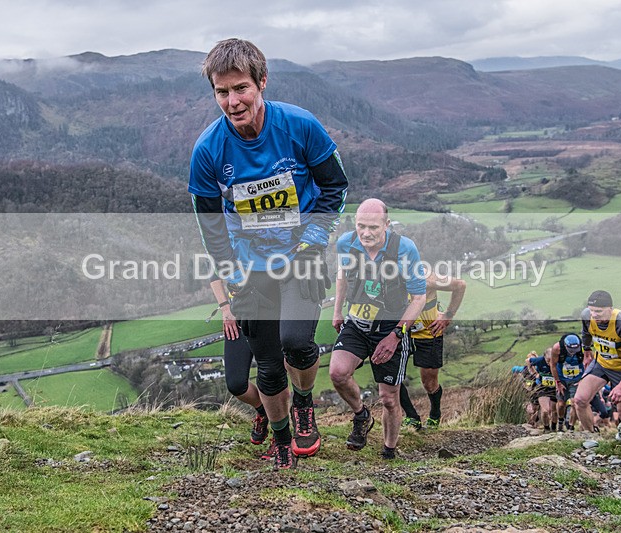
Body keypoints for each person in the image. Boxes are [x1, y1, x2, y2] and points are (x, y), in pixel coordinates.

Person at [189, 38, 349, 469]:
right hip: (251, 267)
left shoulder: (299, 126)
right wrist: (231, 273)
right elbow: (211, 225)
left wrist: (313, 242)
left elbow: (335, 188)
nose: (232, 101)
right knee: (267, 367)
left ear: (262, 82)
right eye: (222, 92)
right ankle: (280, 441)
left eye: (241, 88)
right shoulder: (207, 151)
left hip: (301, 255)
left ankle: (303, 403)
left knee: (297, 343)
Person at [330, 199, 426, 460]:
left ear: (387, 224)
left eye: (373, 227)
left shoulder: (404, 248)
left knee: (388, 398)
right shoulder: (346, 244)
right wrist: (337, 311)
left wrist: (396, 335)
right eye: (361, 226)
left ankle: (388, 451)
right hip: (358, 319)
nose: (366, 233)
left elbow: (419, 298)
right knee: (338, 373)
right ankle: (361, 416)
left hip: (391, 325)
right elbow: (342, 276)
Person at [208, 279, 273, 458]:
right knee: (236, 384)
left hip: (269, 310)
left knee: (272, 378)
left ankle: (281, 434)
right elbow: (214, 274)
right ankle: (264, 412)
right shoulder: (224, 250)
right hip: (238, 312)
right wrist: (225, 308)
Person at [399, 272, 466, 430]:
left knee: (429, 383)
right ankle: (411, 416)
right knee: (391, 377)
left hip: (428, 332)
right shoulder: (386, 274)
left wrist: (448, 315)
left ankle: (435, 415)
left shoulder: (425, 276)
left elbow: (460, 285)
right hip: (399, 332)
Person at [573, 290, 621, 432]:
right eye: (592, 310)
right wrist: (586, 351)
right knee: (579, 400)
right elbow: (586, 333)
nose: (594, 315)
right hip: (601, 363)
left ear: (610, 309)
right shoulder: (587, 315)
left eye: (599, 311)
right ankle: (590, 435)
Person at [547, 333, 586, 431]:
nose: (573, 352)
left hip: (577, 379)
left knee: (574, 403)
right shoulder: (557, 348)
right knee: (561, 404)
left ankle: (571, 427)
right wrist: (558, 382)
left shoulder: (583, 347)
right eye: (571, 350)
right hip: (562, 379)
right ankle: (560, 421)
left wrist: (583, 379)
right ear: (565, 346)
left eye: (575, 350)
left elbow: (589, 362)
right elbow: (553, 365)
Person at [526, 350, 558, 432]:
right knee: (545, 411)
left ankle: (554, 428)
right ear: (544, 357)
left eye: (551, 360)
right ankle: (546, 429)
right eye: (547, 360)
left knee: (554, 411)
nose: (549, 362)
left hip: (556, 388)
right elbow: (528, 361)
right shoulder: (539, 360)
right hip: (543, 387)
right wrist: (534, 373)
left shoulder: (559, 360)